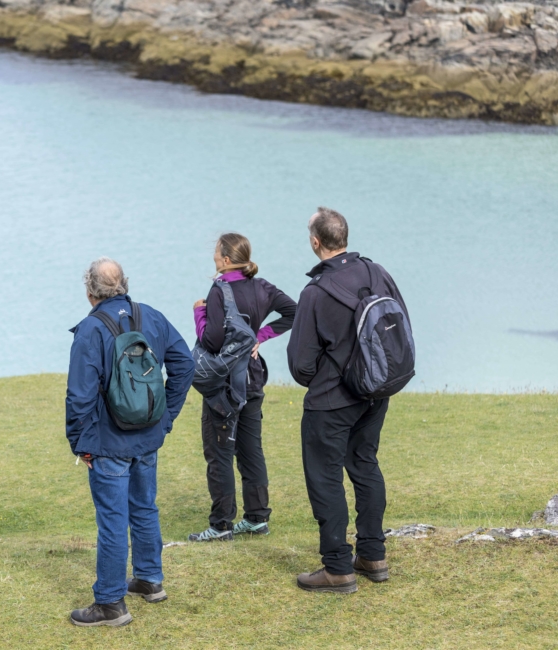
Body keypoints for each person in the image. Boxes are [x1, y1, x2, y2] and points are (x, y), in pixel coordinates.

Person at [65, 257, 195, 627]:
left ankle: (109, 603)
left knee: (112, 520)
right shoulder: (150, 315)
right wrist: (165, 417)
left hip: (108, 444)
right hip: (147, 438)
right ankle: (150, 580)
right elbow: (184, 364)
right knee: (144, 508)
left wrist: (80, 442)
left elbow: (79, 396)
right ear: (123, 284)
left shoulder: (91, 329)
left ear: (90, 291)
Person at [286, 208, 410, 594]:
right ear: (345, 237)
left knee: (325, 478)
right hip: (376, 391)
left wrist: (327, 376)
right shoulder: (377, 272)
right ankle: (373, 556)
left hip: (332, 401)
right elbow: (400, 321)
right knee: (364, 464)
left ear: (315, 241)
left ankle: (338, 568)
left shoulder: (315, 292)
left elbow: (300, 365)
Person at [188, 233, 296, 542]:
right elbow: (294, 311)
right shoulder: (263, 287)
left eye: (216, 252)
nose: (213, 256)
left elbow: (211, 341)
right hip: (252, 379)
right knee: (251, 449)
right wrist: (259, 337)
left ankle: (221, 525)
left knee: (220, 452)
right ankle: (257, 518)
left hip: (224, 385)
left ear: (224, 259)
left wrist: (199, 313)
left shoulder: (219, 290)